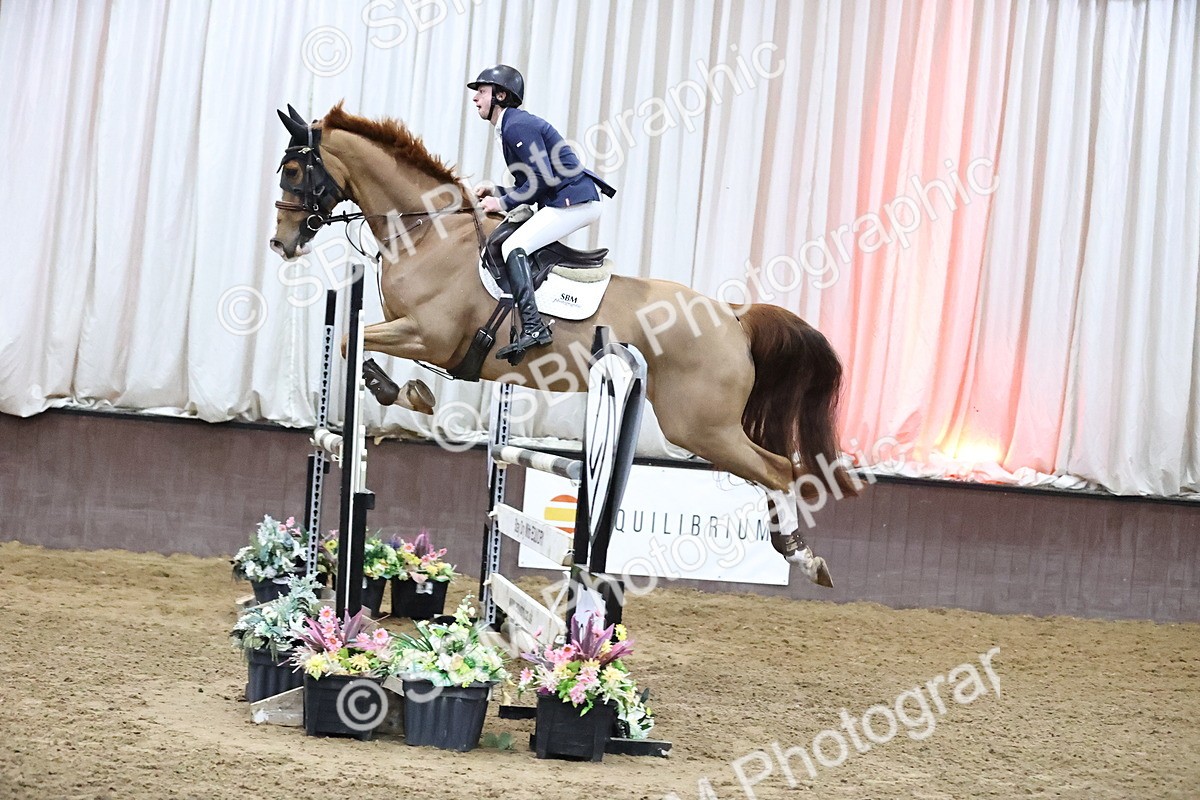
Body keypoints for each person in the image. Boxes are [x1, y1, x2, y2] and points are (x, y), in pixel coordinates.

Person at [468, 64, 614, 361]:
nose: (475, 98)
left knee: (513, 246)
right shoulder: (509, 126)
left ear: (500, 95)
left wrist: (503, 203)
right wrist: (496, 190)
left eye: (481, 92)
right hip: (565, 198)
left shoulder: (516, 125)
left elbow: (540, 179)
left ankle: (535, 327)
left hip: (575, 200)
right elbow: (528, 181)